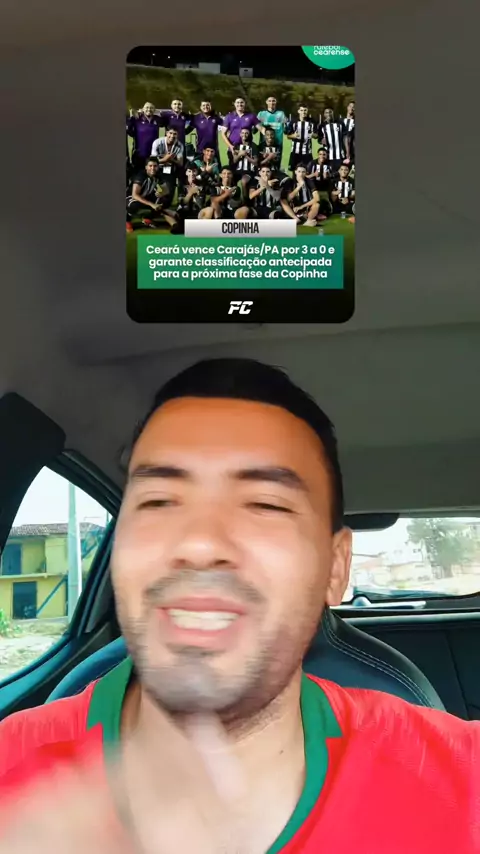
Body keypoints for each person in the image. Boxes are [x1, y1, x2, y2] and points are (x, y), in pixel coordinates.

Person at [0, 358, 480, 854]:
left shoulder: (462, 786)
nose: (201, 543)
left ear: (336, 569)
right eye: (159, 501)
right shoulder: (9, 773)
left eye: (265, 504)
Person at [126, 157, 176, 232]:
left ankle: (147, 218)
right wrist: (152, 204)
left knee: (164, 200)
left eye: (155, 166)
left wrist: (162, 192)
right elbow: (134, 195)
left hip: (145, 196)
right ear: (146, 167)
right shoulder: (141, 176)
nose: (153, 168)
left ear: (158, 167)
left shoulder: (158, 175)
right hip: (130, 198)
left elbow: (166, 190)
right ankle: (127, 220)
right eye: (150, 166)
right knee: (134, 205)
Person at [220, 98, 264, 167]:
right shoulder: (229, 117)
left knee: (248, 168)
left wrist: (268, 140)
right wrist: (230, 146)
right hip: (234, 148)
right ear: (234, 104)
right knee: (233, 168)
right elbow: (223, 133)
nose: (240, 104)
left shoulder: (251, 116)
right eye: (237, 102)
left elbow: (262, 129)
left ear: (245, 103)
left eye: (242, 102)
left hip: (248, 148)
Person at [151, 128, 184, 206]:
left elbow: (180, 163)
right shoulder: (157, 142)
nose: (172, 136)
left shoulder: (180, 145)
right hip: (156, 169)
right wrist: (165, 159)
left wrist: (171, 160)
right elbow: (152, 161)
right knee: (156, 189)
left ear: (178, 135)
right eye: (170, 133)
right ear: (166, 133)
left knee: (167, 199)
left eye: (175, 134)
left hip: (169, 169)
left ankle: (165, 201)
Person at [127, 102, 163, 171]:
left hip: (153, 153)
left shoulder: (157, 119)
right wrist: (132, 115)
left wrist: (158, 111)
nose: (149, 109)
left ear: (154, 110)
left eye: (151, 108)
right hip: (139, 153)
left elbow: (166, 116)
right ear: (143, 109)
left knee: (152, 173)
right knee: (139, 173)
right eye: (147, 107)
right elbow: (129, 130)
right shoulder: (137, 118)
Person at [286, 105, 317, 174]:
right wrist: (293, 136)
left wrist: (313, 135)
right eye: (302, 110)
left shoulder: (312, 122)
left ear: (307, 111)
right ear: (298, 111)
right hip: (295, 152)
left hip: (307, 152)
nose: (303, 112)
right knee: (295, 172)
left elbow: (316, 135)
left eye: (305, 110)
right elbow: (288, 136)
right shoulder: (293, 122)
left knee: (308, 172)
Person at [231, 127, 258, 201]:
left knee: (243, 181)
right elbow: (234, 160)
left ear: (249, 134)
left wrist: (246, 156)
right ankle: (233, 200)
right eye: (242, 133)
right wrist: (240, 154)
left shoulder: (253, 146)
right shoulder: (237, 145)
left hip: (248, 171)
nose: (244, 135)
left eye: (246, 133)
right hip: (238, 171)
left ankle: (245, 201)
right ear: (240, 134)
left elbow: (255, 162)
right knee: (229, 178)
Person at [320, 108, 346, 174]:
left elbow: (345, 137)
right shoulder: (322, 125)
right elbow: (319, 138)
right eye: (326, 112)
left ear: (333, 113)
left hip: (340, 154)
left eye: (330, 112)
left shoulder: (340, 123)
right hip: (328, 154)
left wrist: (347, 153)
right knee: (329, 174)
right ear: (324, 114)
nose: (328, 114)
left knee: (340, 173)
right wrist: (321, 141)